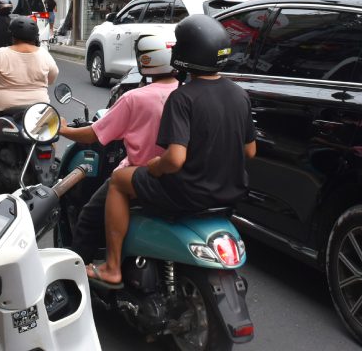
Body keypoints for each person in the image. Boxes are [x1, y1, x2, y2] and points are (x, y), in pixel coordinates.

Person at [89, 14, 256, 286]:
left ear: (186, 53)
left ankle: (112, 267)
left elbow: (175, 159)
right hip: (230, 191)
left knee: (119, 181)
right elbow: (250, 152)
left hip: (186, 192)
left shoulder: (183, 97)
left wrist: (155, 166)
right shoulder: (240, 94)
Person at [59, 34, 177, 263]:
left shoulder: (134, 98)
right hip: (176, 178)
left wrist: (63, 130)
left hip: (138, 174)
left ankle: (77, 275)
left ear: (144, 61)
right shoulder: (185, 92)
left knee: (89, 217)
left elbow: (95, 134)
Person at [0, 15, 59, 197]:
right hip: (39, 107)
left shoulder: (2, 53)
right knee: (47, 136)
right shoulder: (43, 54)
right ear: (35, 36)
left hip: (2, 105)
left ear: (13, 35)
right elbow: (52, 77)